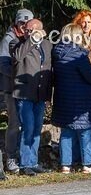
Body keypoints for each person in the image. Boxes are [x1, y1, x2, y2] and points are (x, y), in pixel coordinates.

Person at [52, 24, 91, 173]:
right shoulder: (79, 55)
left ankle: (65, 165)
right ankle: (87, 164)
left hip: (63, 98)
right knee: (86, 131)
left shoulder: (57, 53)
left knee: (66, 132)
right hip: (82, 99)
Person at [13, 19, 54, 175]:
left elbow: (49, 70)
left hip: (40, 94)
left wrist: (49, 94)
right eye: (27, 30)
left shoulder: (47, 45)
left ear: (41, 31)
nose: (27, 32)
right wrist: (31, 40)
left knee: (36, 129)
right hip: (24, 94)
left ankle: (33, 161)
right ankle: (25, 164)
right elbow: (17, 57)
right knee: (28, 128)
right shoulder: (17, 44)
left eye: (32, 30)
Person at [1, 8, 33, 176]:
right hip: (11, 89)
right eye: (21, 23)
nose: (23, 26)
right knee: (15, 124)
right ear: (16, 22)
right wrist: (21, 76)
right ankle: (10, 157)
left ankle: (27, 158)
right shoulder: (9, 39)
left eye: (27, 23)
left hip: (27, 90)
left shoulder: (30, 39)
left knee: (27, 124)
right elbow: (3, 65)